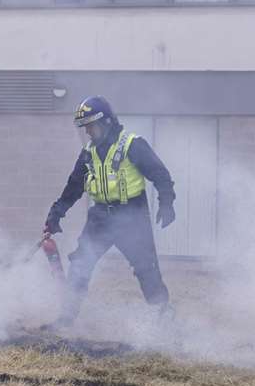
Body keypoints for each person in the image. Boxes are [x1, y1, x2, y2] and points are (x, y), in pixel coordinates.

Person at [43, 96, 176, 326]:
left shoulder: (132, 145)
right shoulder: (88, 153)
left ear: (105, 123)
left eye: (91, 127)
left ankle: (165, 320)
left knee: (147, 271)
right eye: (85, 129)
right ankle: (65, 320)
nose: (88, 133)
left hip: (132, 216)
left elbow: (160, 174)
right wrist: (56, 213)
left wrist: (167, 202)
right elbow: (74, 186)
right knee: (80, 266)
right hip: (100, 218)